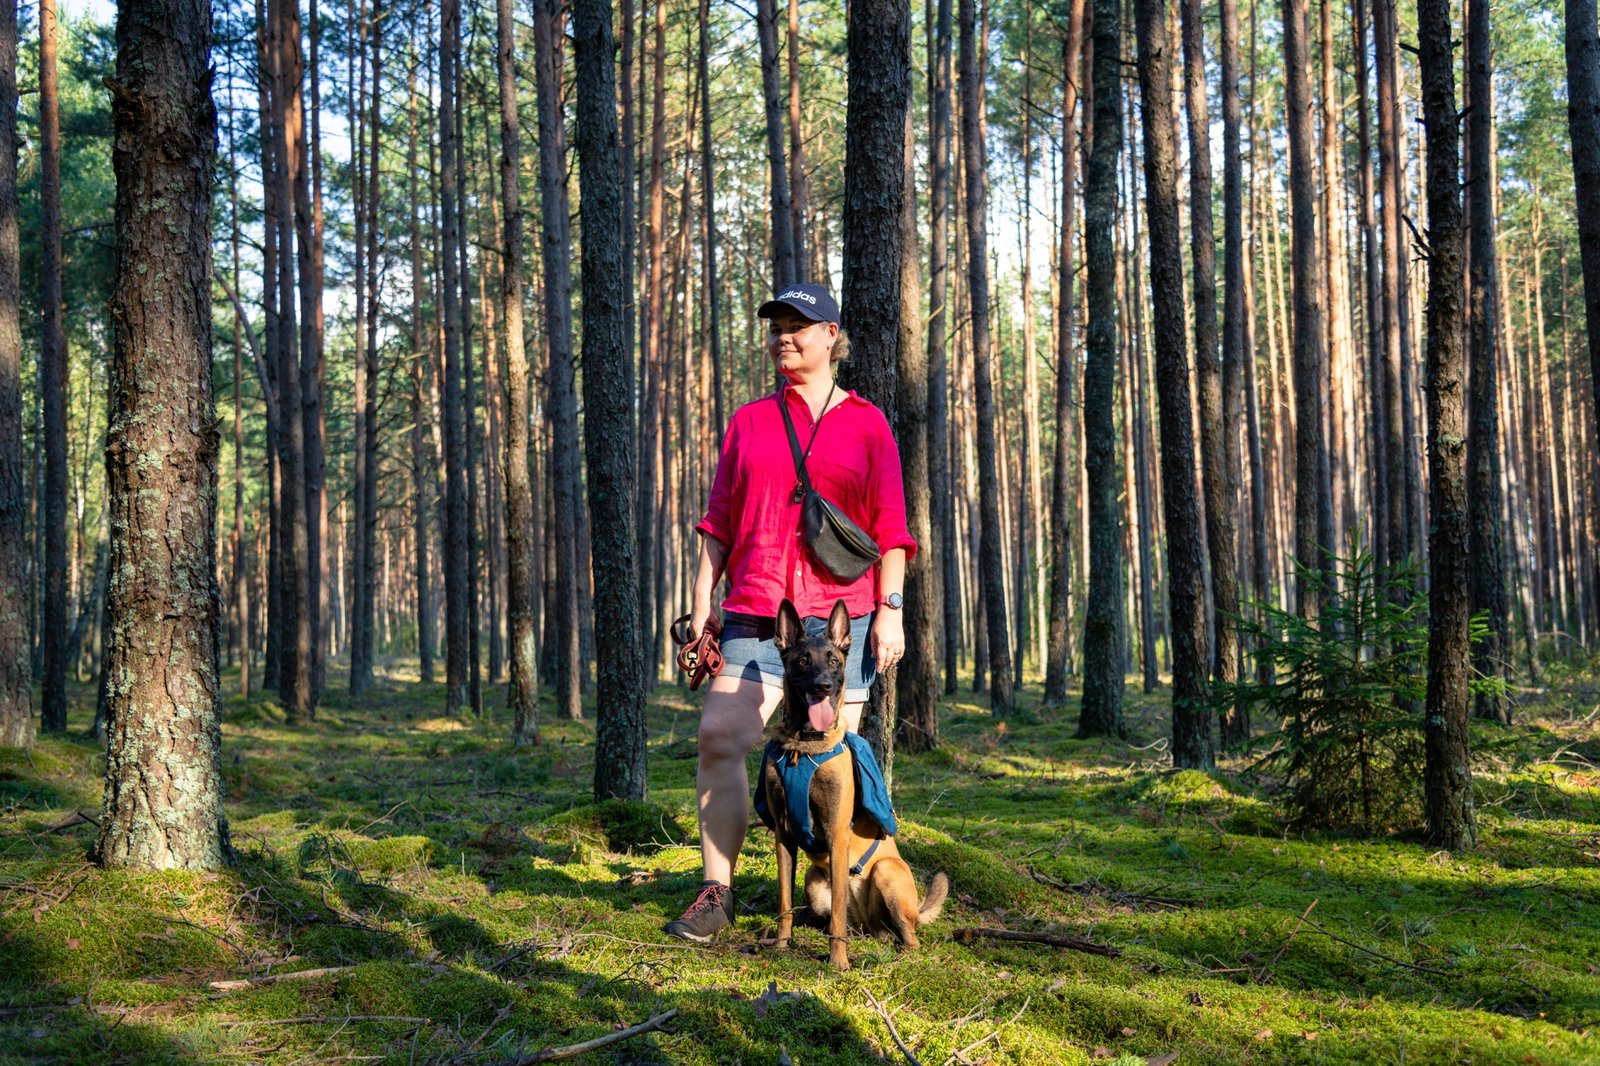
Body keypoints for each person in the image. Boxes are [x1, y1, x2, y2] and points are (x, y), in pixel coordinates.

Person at [663, 283, 917, 943]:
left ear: (831, 335)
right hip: (755, 612)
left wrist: (890, 611)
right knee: (720, 734)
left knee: (829, 766)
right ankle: (716, 892)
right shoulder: (749, 421)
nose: (783, 335)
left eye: (798, 324)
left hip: (845, 618)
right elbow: (718, 523)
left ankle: (835, 894)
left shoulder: (868, 423)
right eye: (776, 324)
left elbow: (891, 529)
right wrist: (701, 603)